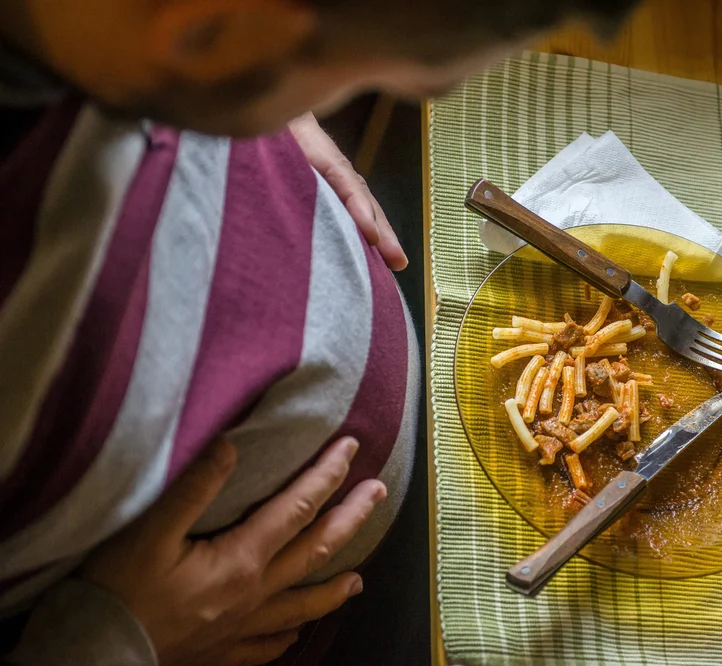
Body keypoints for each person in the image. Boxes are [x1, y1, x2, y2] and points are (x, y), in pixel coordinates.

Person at [0, 0, 637, 664]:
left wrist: (254, 97)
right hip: (228, 623)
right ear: (201, 33)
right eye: (363, 78)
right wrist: (115, 638)